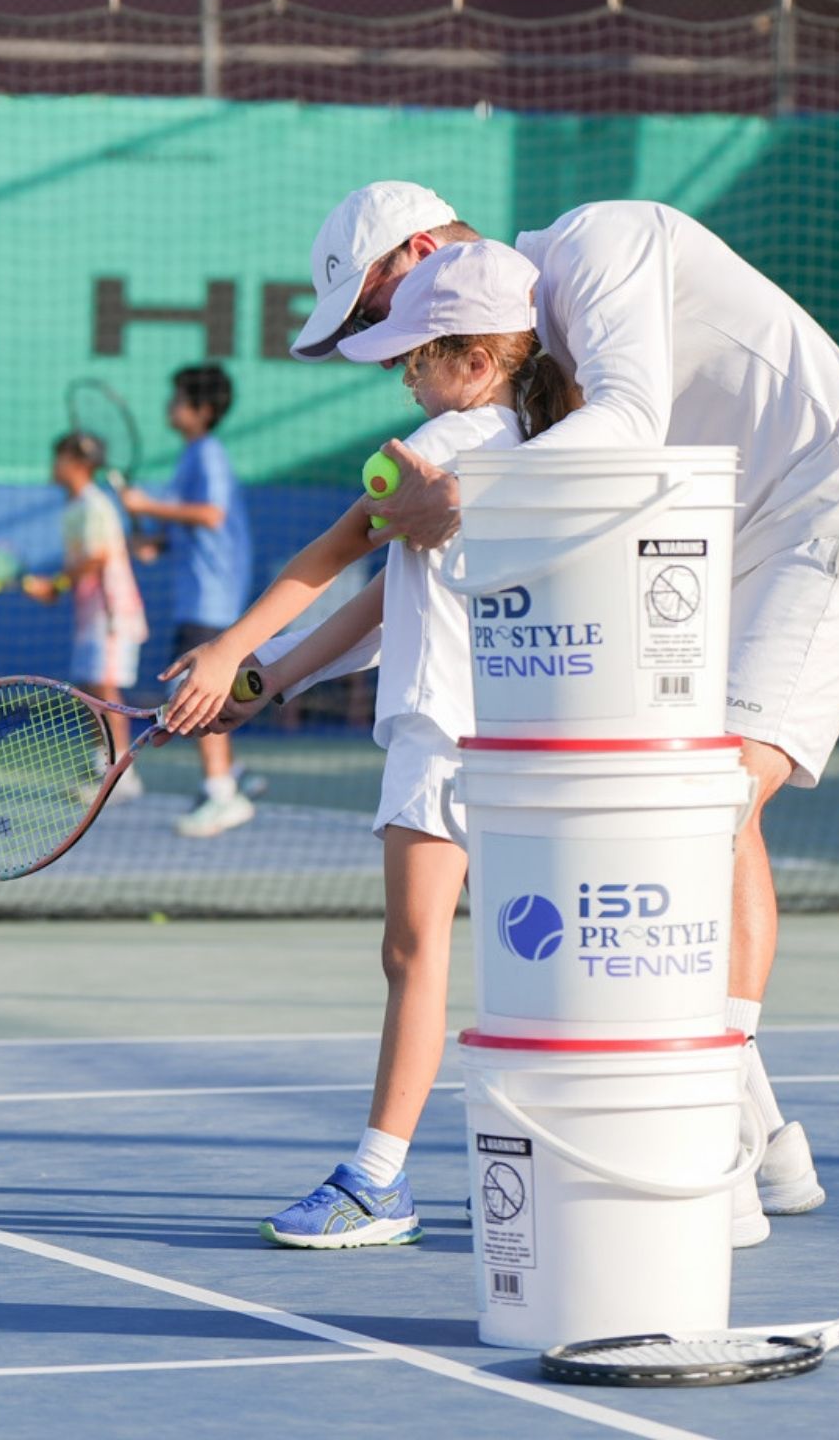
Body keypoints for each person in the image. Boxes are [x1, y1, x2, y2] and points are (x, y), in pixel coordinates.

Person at [291, 182, 839, 1246]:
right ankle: (765, 1142)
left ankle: (713, 1153)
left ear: (421, 251)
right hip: (718, 548)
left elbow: (632, 418)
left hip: (835, 522)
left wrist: (456, 503)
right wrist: (268, 669)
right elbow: (409, 572)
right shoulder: (531, 391)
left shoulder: (603, 240)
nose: (387, 346)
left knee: (707, 801)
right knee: (685, 809)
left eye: (374, 310)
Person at [163, 240, 580, 1246]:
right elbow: (392, 599)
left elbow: (338, 554)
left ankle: (379, 1178)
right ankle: (594, 1168)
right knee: (557, 958)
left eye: (413, 357)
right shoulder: (541, 445)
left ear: (475, 357)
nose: (402, 374)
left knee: (413, 949)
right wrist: (278, 678)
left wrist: (231, 651)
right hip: (537, 725)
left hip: (445, 730)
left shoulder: (429, 454)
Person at [120, 364, 259, 838]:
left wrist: (146, 507)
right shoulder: (191, 456)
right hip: (199, 596)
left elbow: (210, 513)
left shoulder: (208, 454)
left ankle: (223, 793)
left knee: (195, 697)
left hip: (211, 597)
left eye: (178, 399)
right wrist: (154, 542)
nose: (169, 406)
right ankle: (230, 778)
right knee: (205, 697)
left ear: (201, 411)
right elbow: (187, 526)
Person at [24, 431, 149, 799]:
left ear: (77, 464)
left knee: (106, 692)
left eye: (58, 458)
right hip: (90, 616)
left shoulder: (94, 506)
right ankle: (103, 766)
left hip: (111, 614)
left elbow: (96, 558)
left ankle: (121, 775)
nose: (53, 466)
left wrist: (56, 586)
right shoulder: (76, 507)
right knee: (91, 692)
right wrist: (53, 588)